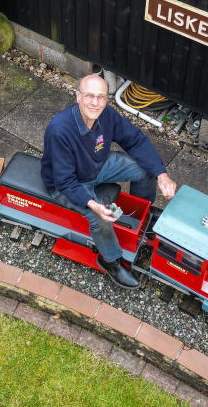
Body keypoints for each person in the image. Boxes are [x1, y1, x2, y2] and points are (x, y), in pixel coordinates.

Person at [41, 74, 177, 289]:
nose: (95, 103)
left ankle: (139, 215)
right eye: (89, 96)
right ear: (78, 96)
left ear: (107, 99)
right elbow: (65, 181)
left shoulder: (107, 115)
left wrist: (162, 174)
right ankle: (110, 260)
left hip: (97, 167)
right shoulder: (60, 129)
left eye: (101, 97)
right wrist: (94, 205)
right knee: (100, 218)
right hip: (68, 184)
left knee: (145, 168)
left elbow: (136, 140)